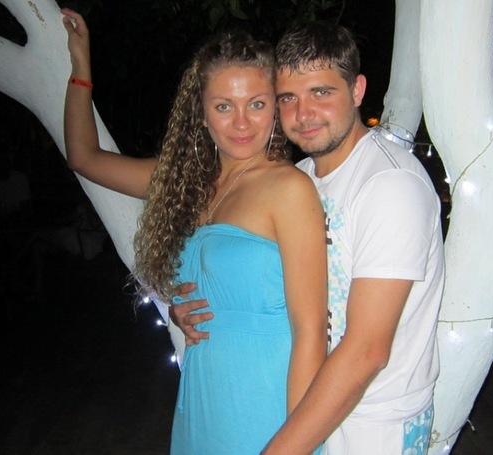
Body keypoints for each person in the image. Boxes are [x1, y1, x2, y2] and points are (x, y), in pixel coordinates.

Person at [60, 9, 327, 455]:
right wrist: (80, 65)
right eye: (224, 106)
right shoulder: (187, 184)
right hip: (203, 402)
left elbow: (311, 332)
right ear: (201, 114)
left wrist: (295, 445)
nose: (241, 123)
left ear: (275, 109)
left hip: (267, 405)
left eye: (256, 104)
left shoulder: (289, 189)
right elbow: (83, 157)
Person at [172, 22, 445, 454]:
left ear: (357, 90)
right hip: (308, 408)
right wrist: (190, 309)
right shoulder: (302, 178)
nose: (303, 113)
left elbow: (367, 350)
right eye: (288, 98)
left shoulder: (390, 185)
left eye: (321, 92)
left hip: (373, 422)